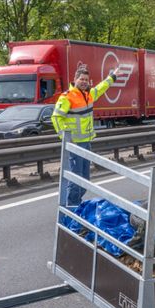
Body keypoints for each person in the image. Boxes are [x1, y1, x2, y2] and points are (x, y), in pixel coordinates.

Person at [52, 63, 116, 208]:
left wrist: (111, 78)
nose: (84, 82)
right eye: (81, 79)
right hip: (74, 144)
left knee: (85, 180)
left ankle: (75, 204)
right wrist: (65, 138)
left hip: (86, 143)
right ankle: (72, 207)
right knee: (76, 179)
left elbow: (101, 88)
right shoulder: (67, 97)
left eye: (86, 80)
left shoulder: (89, 94)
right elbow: (56, 117)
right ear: (75, 79)